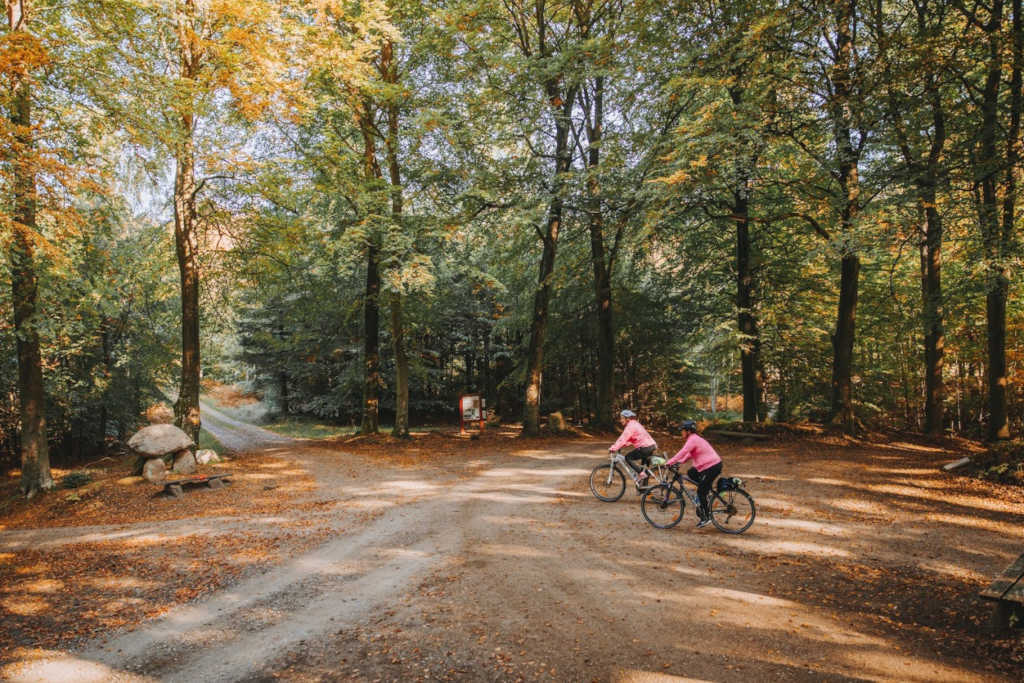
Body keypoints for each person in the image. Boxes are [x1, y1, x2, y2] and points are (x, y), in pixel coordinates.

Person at [665, 420, 722, 528]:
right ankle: (706, 491)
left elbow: (683, 452)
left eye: (682, 431)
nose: (681, 433)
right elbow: (689, 454)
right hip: (709, 466)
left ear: (688, 431)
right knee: (691, 472)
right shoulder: (694, 439)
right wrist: (679, 462)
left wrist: (669, 462)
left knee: (701, 492)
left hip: (712, 466)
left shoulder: (693, 439)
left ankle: (706, 517)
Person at [609, 409, 658, 484]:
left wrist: (614, 448)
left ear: (627, 418)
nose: (620, 420)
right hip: (650, 446)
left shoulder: (630, 426)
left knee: (628, 457)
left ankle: (641, 475)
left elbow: (623, 438)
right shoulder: (635, 424)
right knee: (644, 470)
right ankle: (645, 490)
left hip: (645, 448)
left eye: (622, 418)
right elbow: (630, 440)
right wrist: (621, 445)